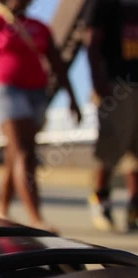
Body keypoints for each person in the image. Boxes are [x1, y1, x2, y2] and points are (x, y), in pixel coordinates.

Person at [0, 0, 82, 231]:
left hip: (37, 94)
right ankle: (36, 218)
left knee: (14, 154)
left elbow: (57, 63)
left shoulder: (40, 26)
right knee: (24, 152)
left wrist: (73, 98)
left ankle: (1, 210)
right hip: (5, 89)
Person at [83, 0, 138, 232]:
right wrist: (97, 81)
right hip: (115, 82)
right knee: (111, 144)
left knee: (136, 151)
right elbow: (92, 40)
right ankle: (101, 199)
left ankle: (135, 208)